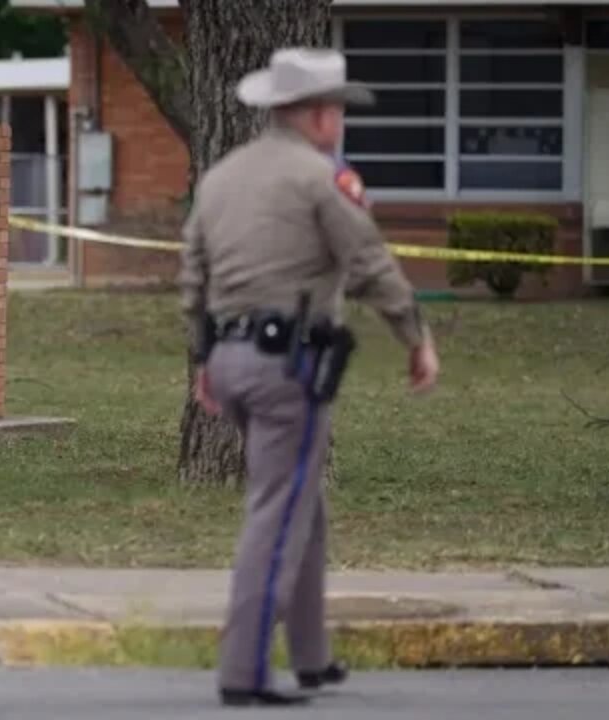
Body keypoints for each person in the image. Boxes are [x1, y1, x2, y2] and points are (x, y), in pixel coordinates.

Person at [177, 47, 440, 707]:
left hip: (231, 361)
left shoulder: (221, 177)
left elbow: (192, 278)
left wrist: (204, 359)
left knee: (302, 502)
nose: (341, 121)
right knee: (276, 511)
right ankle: (243, 672)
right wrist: (416, 338)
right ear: (319, 114)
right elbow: (370, 262)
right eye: (338, 110)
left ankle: (313, 658)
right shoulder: (322, 178)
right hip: (285, 367)